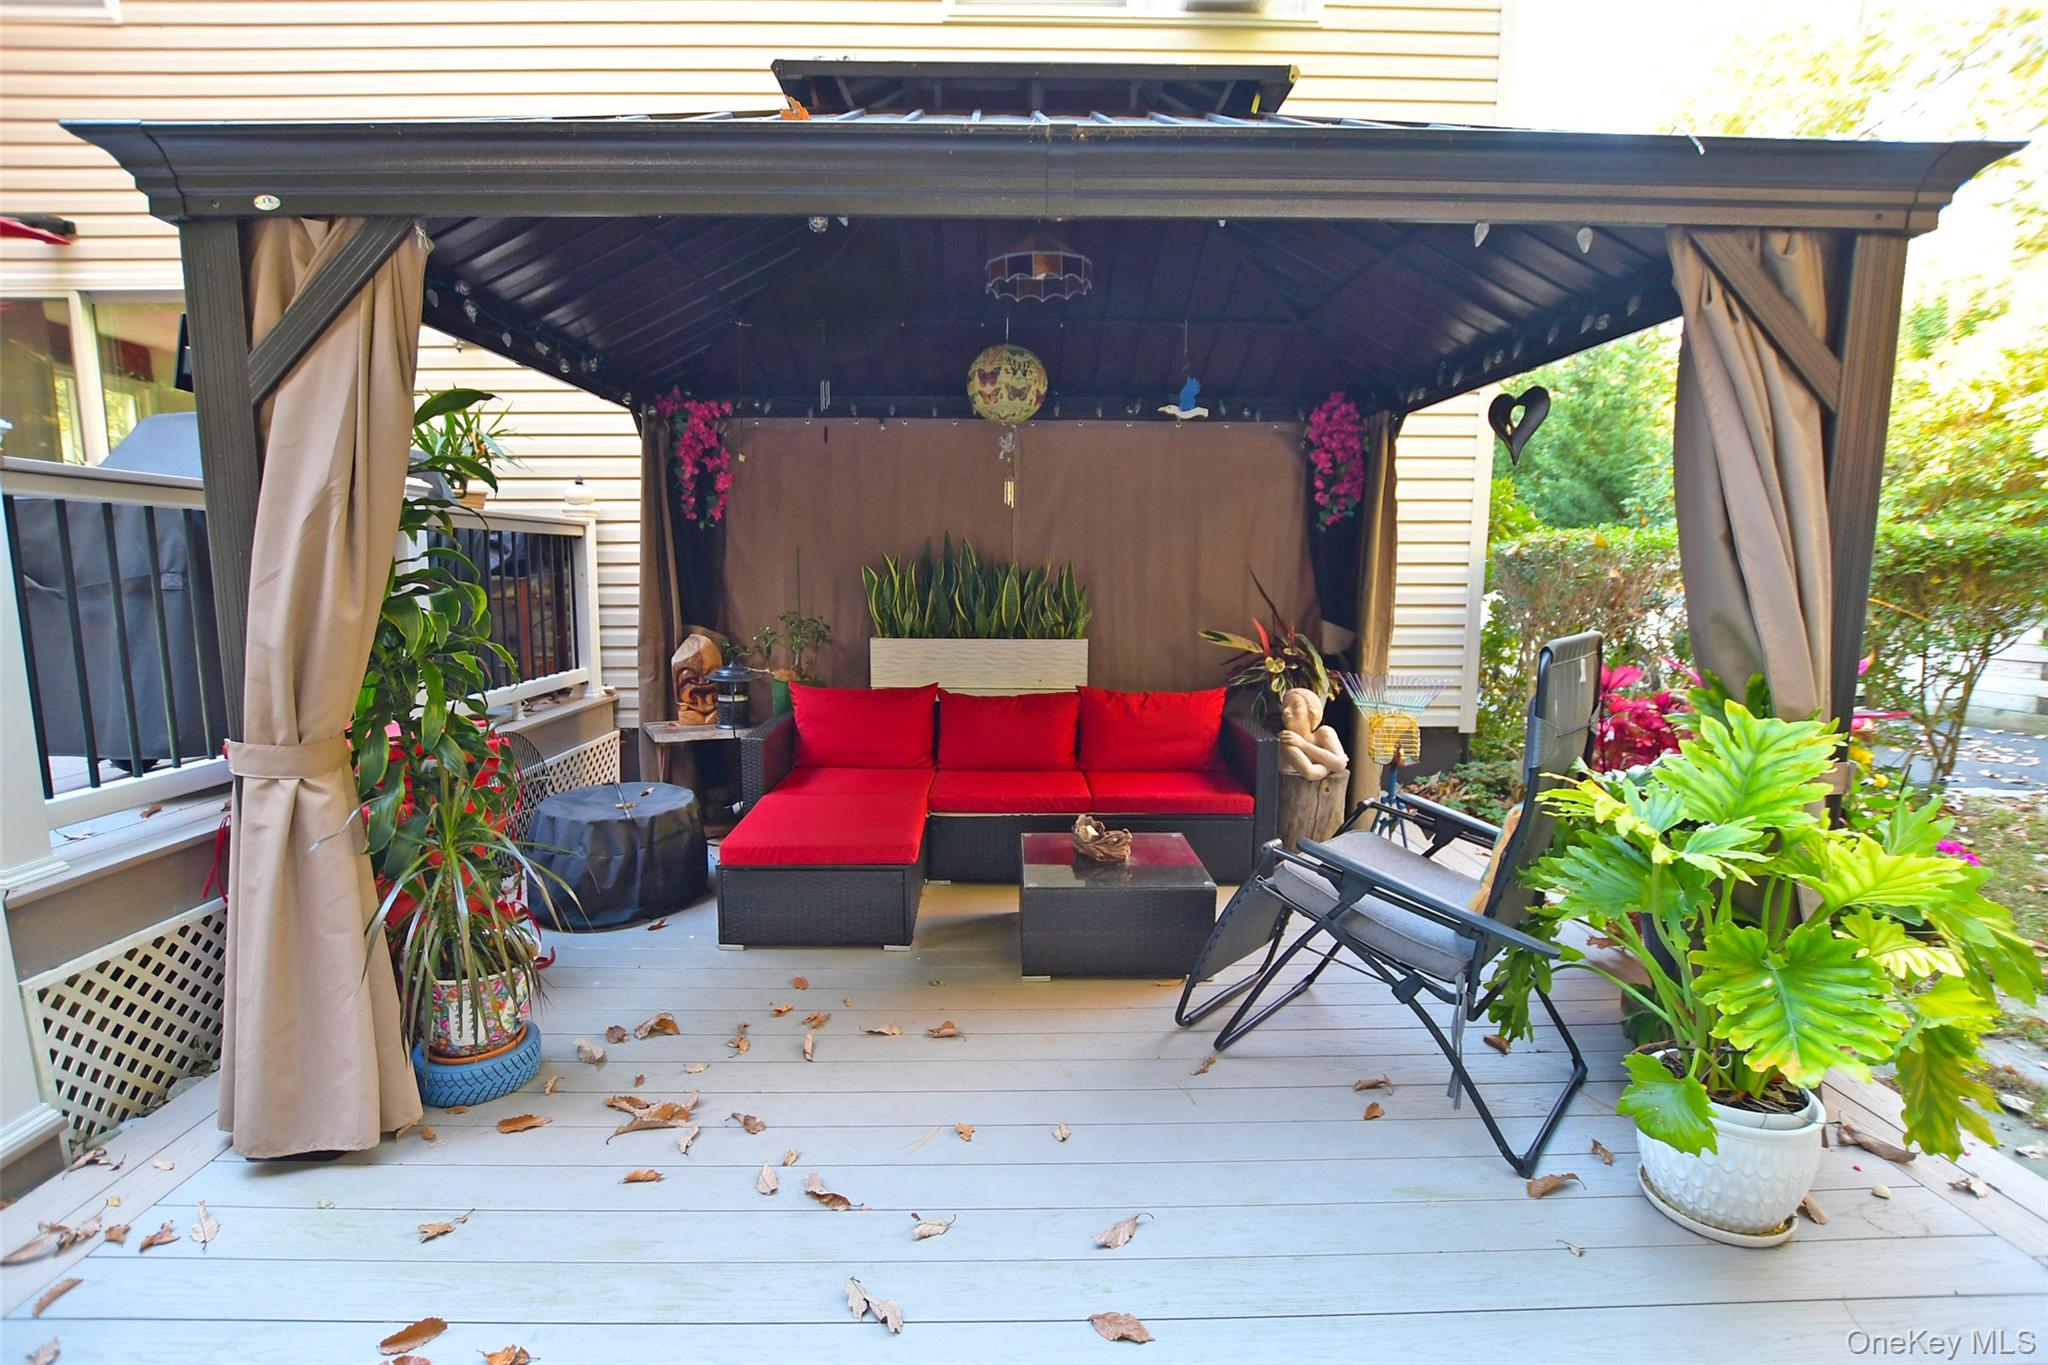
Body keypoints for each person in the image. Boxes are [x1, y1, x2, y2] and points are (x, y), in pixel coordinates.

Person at [1276, 685, 1348, 781]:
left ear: (1311, 713)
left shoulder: (1324, 732)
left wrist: (1303, 744)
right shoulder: (1287, 740)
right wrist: (1331, 765)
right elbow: (1311, 773)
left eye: (1296, 705)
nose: (1286, 711)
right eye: (1284, 706)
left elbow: (1340, 764)